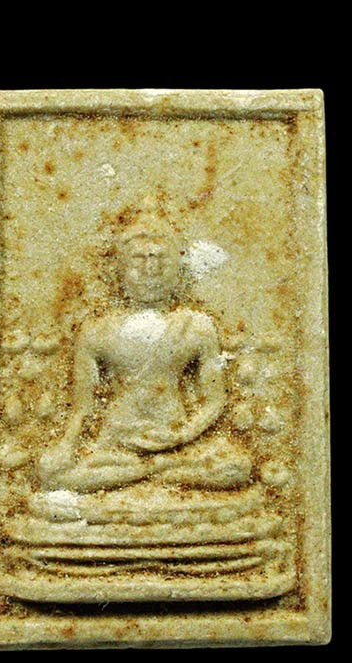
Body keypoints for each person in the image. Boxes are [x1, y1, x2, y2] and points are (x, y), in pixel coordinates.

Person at [38, 200, 251, 492]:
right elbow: (83, 409)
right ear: (117, 269)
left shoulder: (195, 326)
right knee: (50, 472)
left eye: (161, 260)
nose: (151, 270)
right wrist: (66, 445)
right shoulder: (98, 330)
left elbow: (215, 400)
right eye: (139, 260)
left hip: (175, 441)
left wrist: (182, 435)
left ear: (179, 267)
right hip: (116, 443)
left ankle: (149, 471)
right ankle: (155, 472)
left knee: (238, 467)